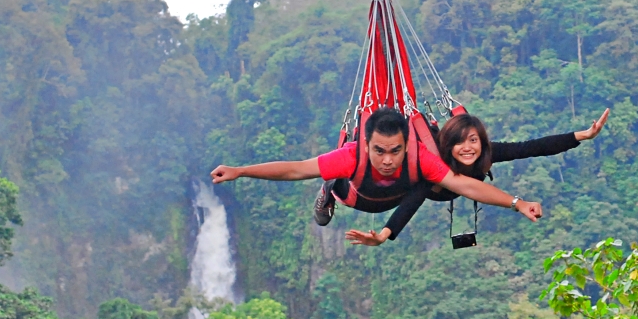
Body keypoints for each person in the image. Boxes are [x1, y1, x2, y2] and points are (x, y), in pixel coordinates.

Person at [210, 107, 543, 235]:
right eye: (379, 151)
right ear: (366, 143)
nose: (387, 159)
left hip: (391, 199)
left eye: (395, 150)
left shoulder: (419, 156)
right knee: (329, 173)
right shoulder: (351, 156)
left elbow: (465, 186)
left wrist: (518, 202)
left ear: (406, 144)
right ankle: (328, 190)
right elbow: (296, 169)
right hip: (353, 193)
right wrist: (241, 171)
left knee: (424, 179)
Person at [344, 108, 609, 246]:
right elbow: (412, 201)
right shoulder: (433, 168)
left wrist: (581, 136)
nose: (467, 148)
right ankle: (331, 191)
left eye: (473, 140)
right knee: (366, 191)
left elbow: (531, 147)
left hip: (430, 187)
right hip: (397, 183)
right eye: (459, 142)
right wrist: (384, 234)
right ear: (448, 145)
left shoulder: (487, 154)